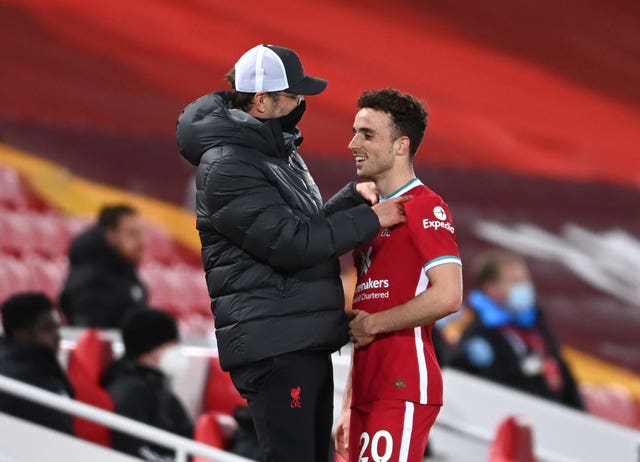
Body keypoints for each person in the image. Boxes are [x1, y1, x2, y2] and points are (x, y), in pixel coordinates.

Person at [176, 44, 408, 462]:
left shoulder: (276, 152)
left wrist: (353, 199)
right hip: (275, 345)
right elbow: (292, 244)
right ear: (262, 101)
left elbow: (307, 225)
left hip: (298, 338)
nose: (301, 104)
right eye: (292, 95)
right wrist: (374, 220)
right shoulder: (227, 164)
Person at [334, 88, 463, 462]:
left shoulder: (426, 205)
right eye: (355, 131)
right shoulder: (371, 217)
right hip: (368, 386)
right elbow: (362, 321)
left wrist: (375, 325)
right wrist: (348, 403)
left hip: (403, 382)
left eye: (367, 134)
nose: (352, 143)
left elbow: (448, 296)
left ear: (401, 145)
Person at [449, 250, 584, 409]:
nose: (524, 286)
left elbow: (563, 374)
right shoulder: (479, 336)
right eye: (515, 281)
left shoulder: (538, 327)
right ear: (491, 289)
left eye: (525, 279)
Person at [102, 309, 193, 461]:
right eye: (171, 344)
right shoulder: (129, 392)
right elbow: (131, 447)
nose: (177, 351)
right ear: (149, 350)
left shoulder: (154, 386)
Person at [59, 204, 148, 328]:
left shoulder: (128, 274)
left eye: (141, 234)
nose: (141, 242)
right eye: (132, 234)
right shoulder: (89, 280)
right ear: (111, 235)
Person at [0, 292, 75, 435]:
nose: (58, 336)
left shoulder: (40, 367)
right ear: (22, 335)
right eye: (48, 329)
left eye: (57, 328)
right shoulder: (30, 379)